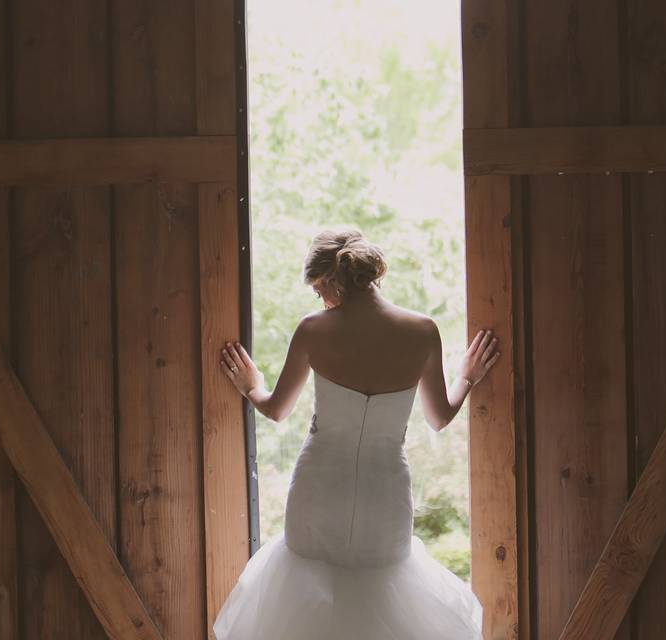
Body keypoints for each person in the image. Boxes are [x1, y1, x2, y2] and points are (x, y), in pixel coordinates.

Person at [213, 227, 499, 639]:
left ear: (331, 280)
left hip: (319, 487)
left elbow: (276, 410)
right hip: (385, 491)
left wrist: (250, 386)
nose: (321, 301)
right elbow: (439, 417)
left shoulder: (314, 329)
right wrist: (467, 378)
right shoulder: (422, 330)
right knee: (383, 593)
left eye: (318, 291)